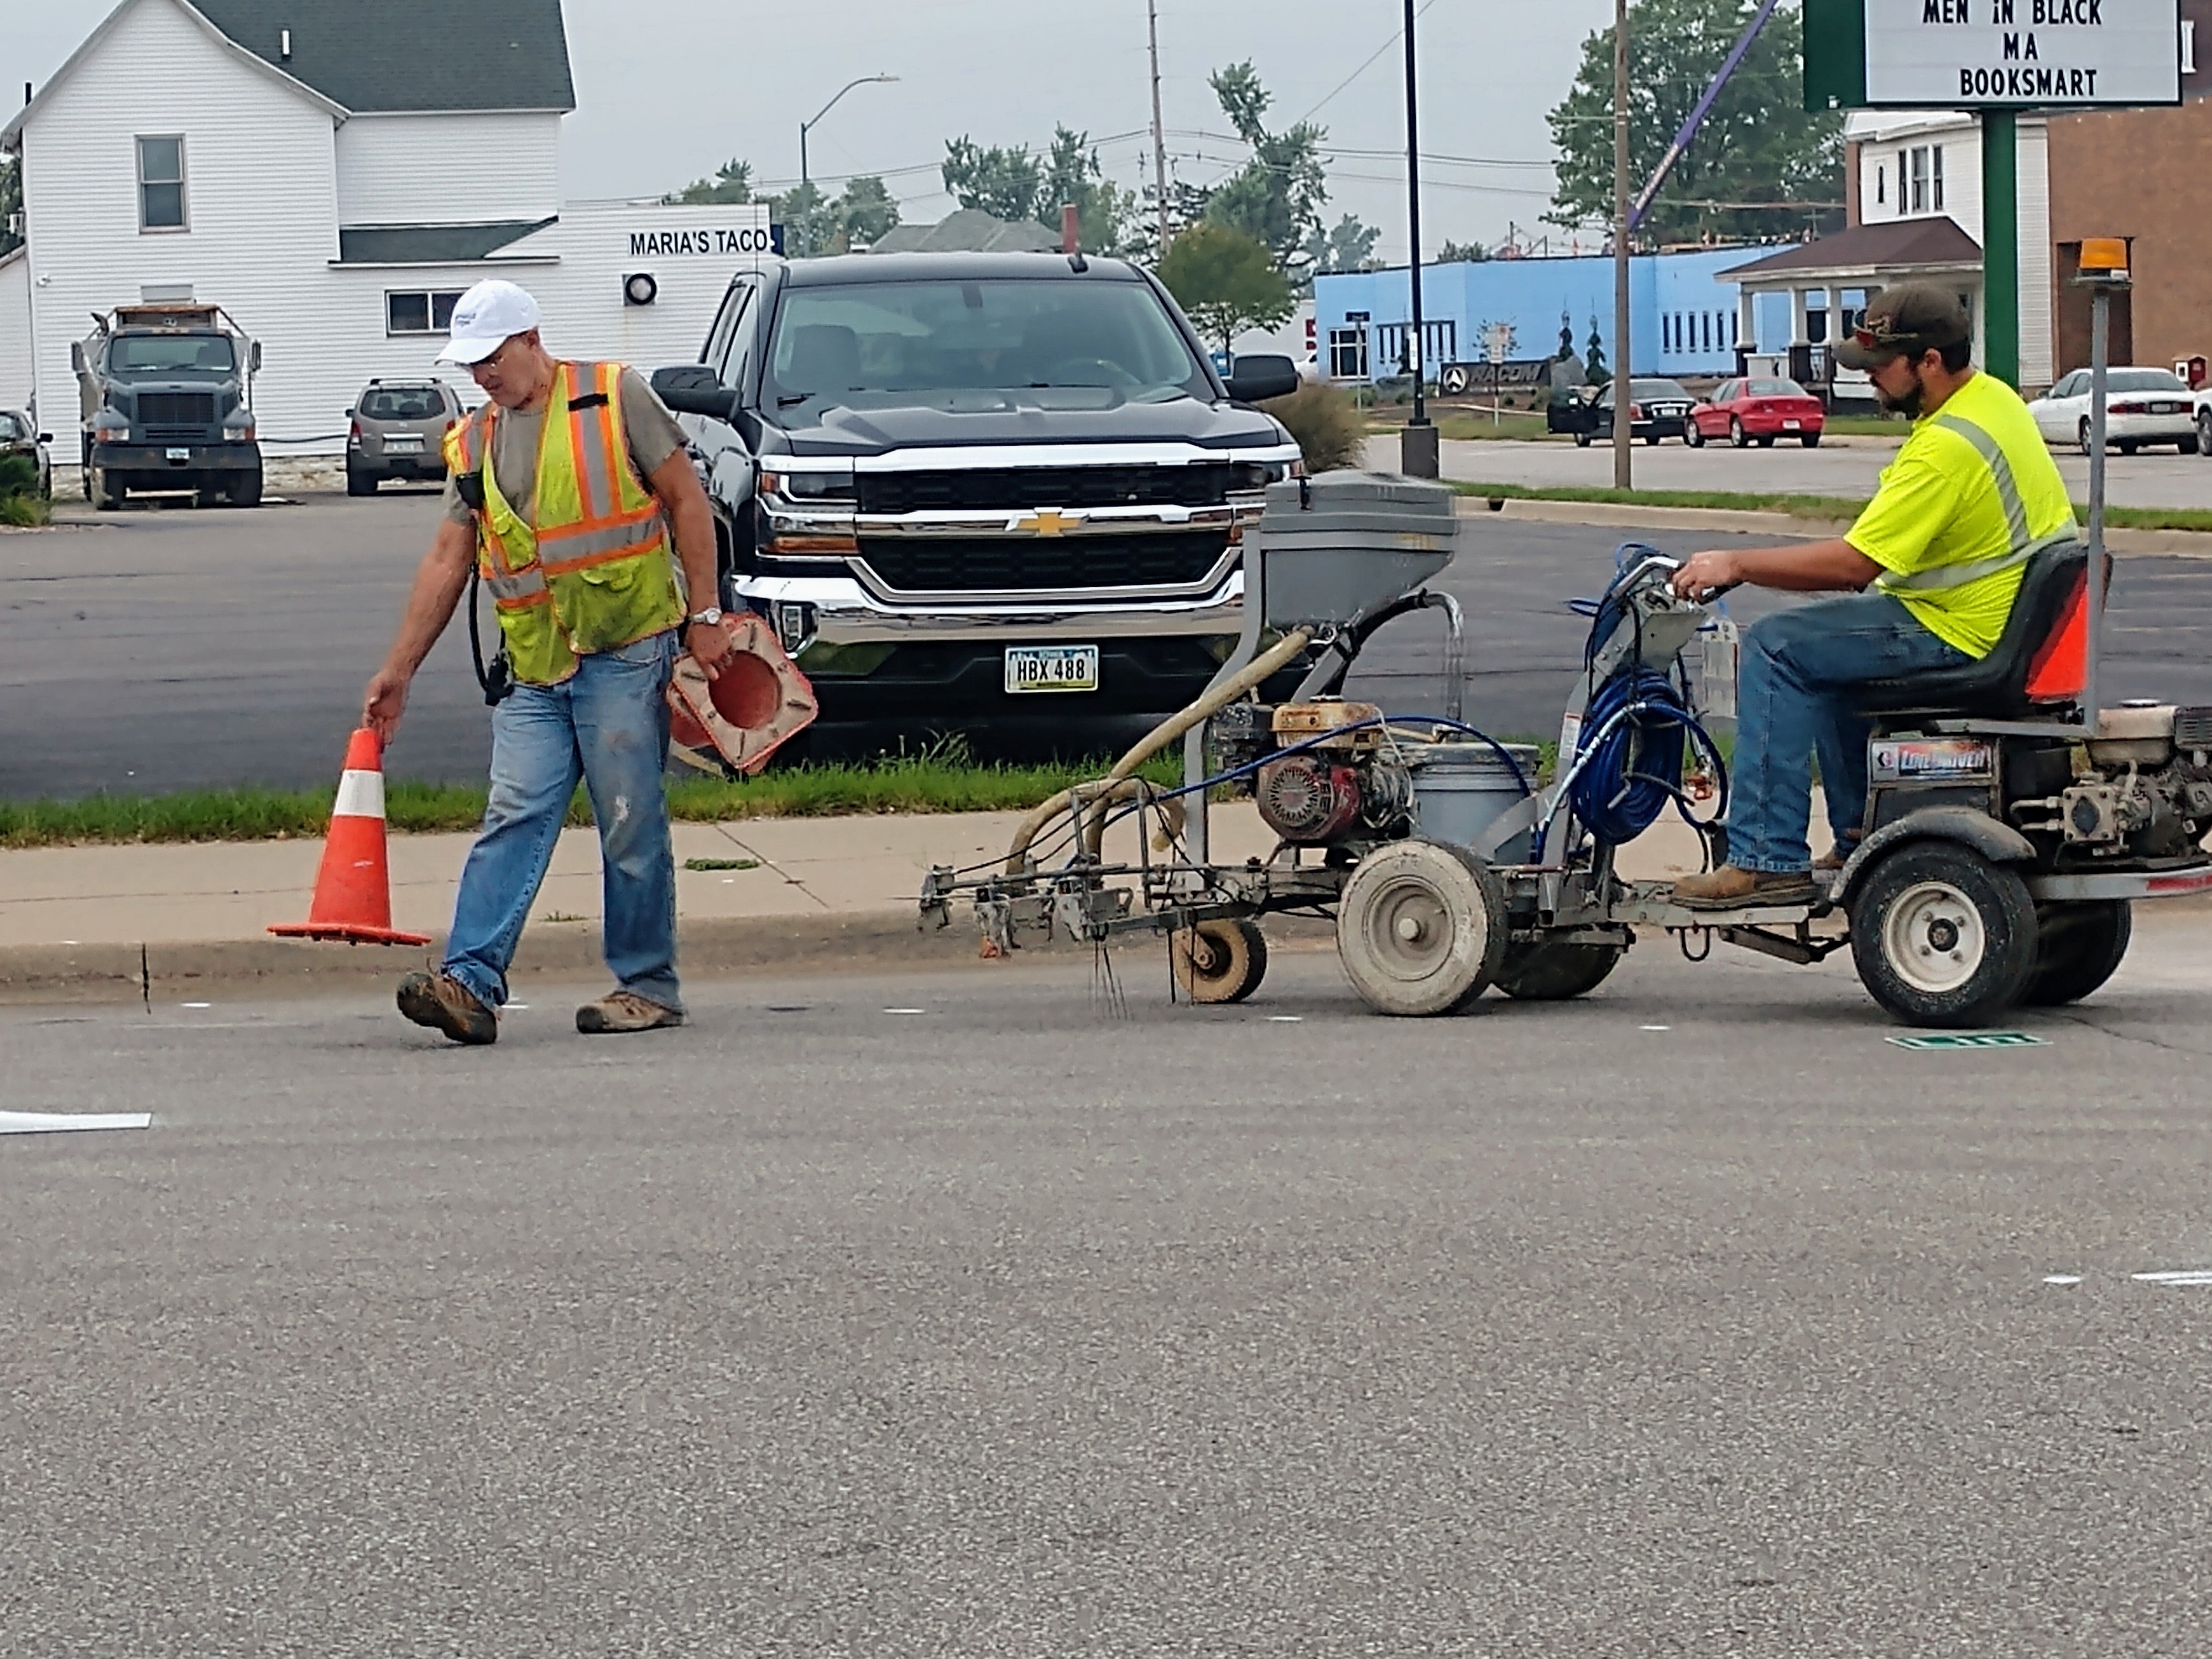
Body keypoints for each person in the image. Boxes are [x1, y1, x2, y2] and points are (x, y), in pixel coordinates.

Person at [361, 279, 735, 1043]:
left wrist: (705, 618)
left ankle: (647, 985)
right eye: (471, 365)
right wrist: (399, 669)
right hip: (536, 666)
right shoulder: (472, 441)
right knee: (514, 815)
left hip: (627, 650)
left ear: (531, 340)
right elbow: (447, 558)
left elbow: (687, 502)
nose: (483, 377)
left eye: (492, 359)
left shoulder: (613, 396)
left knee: (628, 822)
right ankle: (468, 983)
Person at [1666, 283, 2079, 909]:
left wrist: (1737, 564)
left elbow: (1854, 565)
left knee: (1779, 648)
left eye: (1882, 367)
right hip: (1994, 619)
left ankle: (1763, 857)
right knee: (1824, 648)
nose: (1872, 382)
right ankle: (1862, 832)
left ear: (1929, 362)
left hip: (1961, 630)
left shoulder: (1946, 448)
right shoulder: (1993, 400)